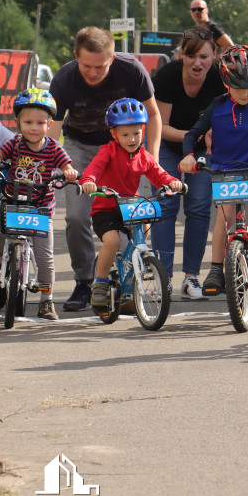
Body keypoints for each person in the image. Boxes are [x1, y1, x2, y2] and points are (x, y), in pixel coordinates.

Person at [48, 27, 162, 311]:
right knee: (76, 216)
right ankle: (85, 282)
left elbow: (154, 114)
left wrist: (154, 159)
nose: (94, 73)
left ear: (113, 57)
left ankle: (131, 280)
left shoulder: (132, 69)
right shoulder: (64, 78)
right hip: (81, 147)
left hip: (128, 148)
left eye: (101, 66)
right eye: (87, 65)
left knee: (141, 211)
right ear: (76, 56)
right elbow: (53, 129)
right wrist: (56, 166)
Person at [179, 45, 248, 296]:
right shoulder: (217, 107)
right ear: (227, 84)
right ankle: (216, 269)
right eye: (239, 88)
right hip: (223, 169)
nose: (245, 93)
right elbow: (194, 133)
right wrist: (189, 156)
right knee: (225, 218)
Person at [79, 99, 182, 314]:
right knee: (113, 241)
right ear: (114, 134)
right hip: (105, 210)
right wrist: (88, 181)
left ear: (143, 130)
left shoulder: (143, 155)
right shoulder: (107, 152)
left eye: (136, 133)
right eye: (125, 135)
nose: (132, 139)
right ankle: (100, 282)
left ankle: (136, 275)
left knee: (143, 233)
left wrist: (171, 182)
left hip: (130, 206)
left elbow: (157, 173)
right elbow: (93, 169)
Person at [0, 89, 78, 320]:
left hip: (41, 209)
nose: (34, 127)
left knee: (45, 257)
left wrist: (68, 171)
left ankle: (46, 300)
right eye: (28, 122)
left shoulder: (53, 148)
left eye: (40, 123)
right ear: (18, 122)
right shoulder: (15, 144)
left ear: (49, 125)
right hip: (12, 204)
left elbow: (66, 164)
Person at [150, 29, 225, 299]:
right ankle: (163, 277)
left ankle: (191, 277)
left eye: (204, 56)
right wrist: (192, 136)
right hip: (169, 147)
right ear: (181, 54)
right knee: (166, 206)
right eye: (190, 56)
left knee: (199, 209)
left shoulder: (219, 79)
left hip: (203, 150)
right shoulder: (168, 77)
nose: (197, 63)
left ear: (214, 56)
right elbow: (159, 127)